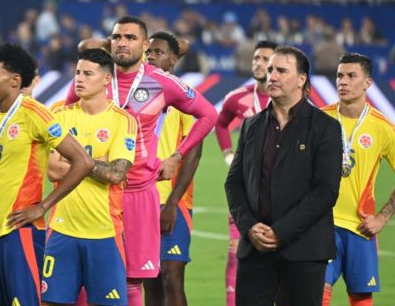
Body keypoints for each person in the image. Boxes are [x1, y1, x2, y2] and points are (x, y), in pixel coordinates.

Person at [66, 16, 218, 306]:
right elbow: (64, 117)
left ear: (145, 45)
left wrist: (177, 154)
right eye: (117, 37)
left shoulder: (162, 83)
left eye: (131, 38)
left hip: (137, 191)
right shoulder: (93, 77)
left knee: (133, 279)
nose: (122, 42)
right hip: (92, 191)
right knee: (86, 278)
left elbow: (208, 115)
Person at [0, 43, 93, 305]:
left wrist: (42, 207)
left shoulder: (35, 113)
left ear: (15, 80)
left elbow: (83, 162)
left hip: (20, 232)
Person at [225, 46, 342, 306]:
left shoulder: (326, 127)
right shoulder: (251, 125)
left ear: (302, 79)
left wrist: (280, 232)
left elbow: (325, 191)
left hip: (304, 251)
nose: (272, 76)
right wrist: (249, 227)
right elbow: (234, 182)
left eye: (281, 70)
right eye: (270, 70)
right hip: (255, 250)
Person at [42, 49, 137, 306]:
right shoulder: (59, 114)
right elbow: (52, 169)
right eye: (77, 73)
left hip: (104, 233)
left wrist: (75, 162)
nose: (79, 79)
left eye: (88, 73)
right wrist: (97, 164)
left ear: (107, 80)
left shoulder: (123, 120)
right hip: (62, 230)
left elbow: (116, 173)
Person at [321, 53, 395, 306]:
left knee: (362, 298)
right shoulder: (319, 119)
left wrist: (383, 217)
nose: (343, 81)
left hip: (360, 229)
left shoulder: (382, 127)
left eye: (352, 76)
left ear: (367, 83)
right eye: (340, 75)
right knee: (315, 294)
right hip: (320, 224)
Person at [143, 31, 204, 306]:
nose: (151, 57)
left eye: (158, 52)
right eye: (149, 52)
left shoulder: (184, 97)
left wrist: (172, 203)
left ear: (173, 59)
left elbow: (193, 153)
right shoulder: (137, 95)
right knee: (149, 278)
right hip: (139, 200)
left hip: (171, 201)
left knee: (171, 276)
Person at [215, 40, 277, 306]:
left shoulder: (289, 101)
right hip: (245, 191)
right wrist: (228, 153)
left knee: (279, 259)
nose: (258, 63)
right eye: (255, 58)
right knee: (236, 253)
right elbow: (220, 123)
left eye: (264, 59)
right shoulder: (238, 96)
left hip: (280, 193)